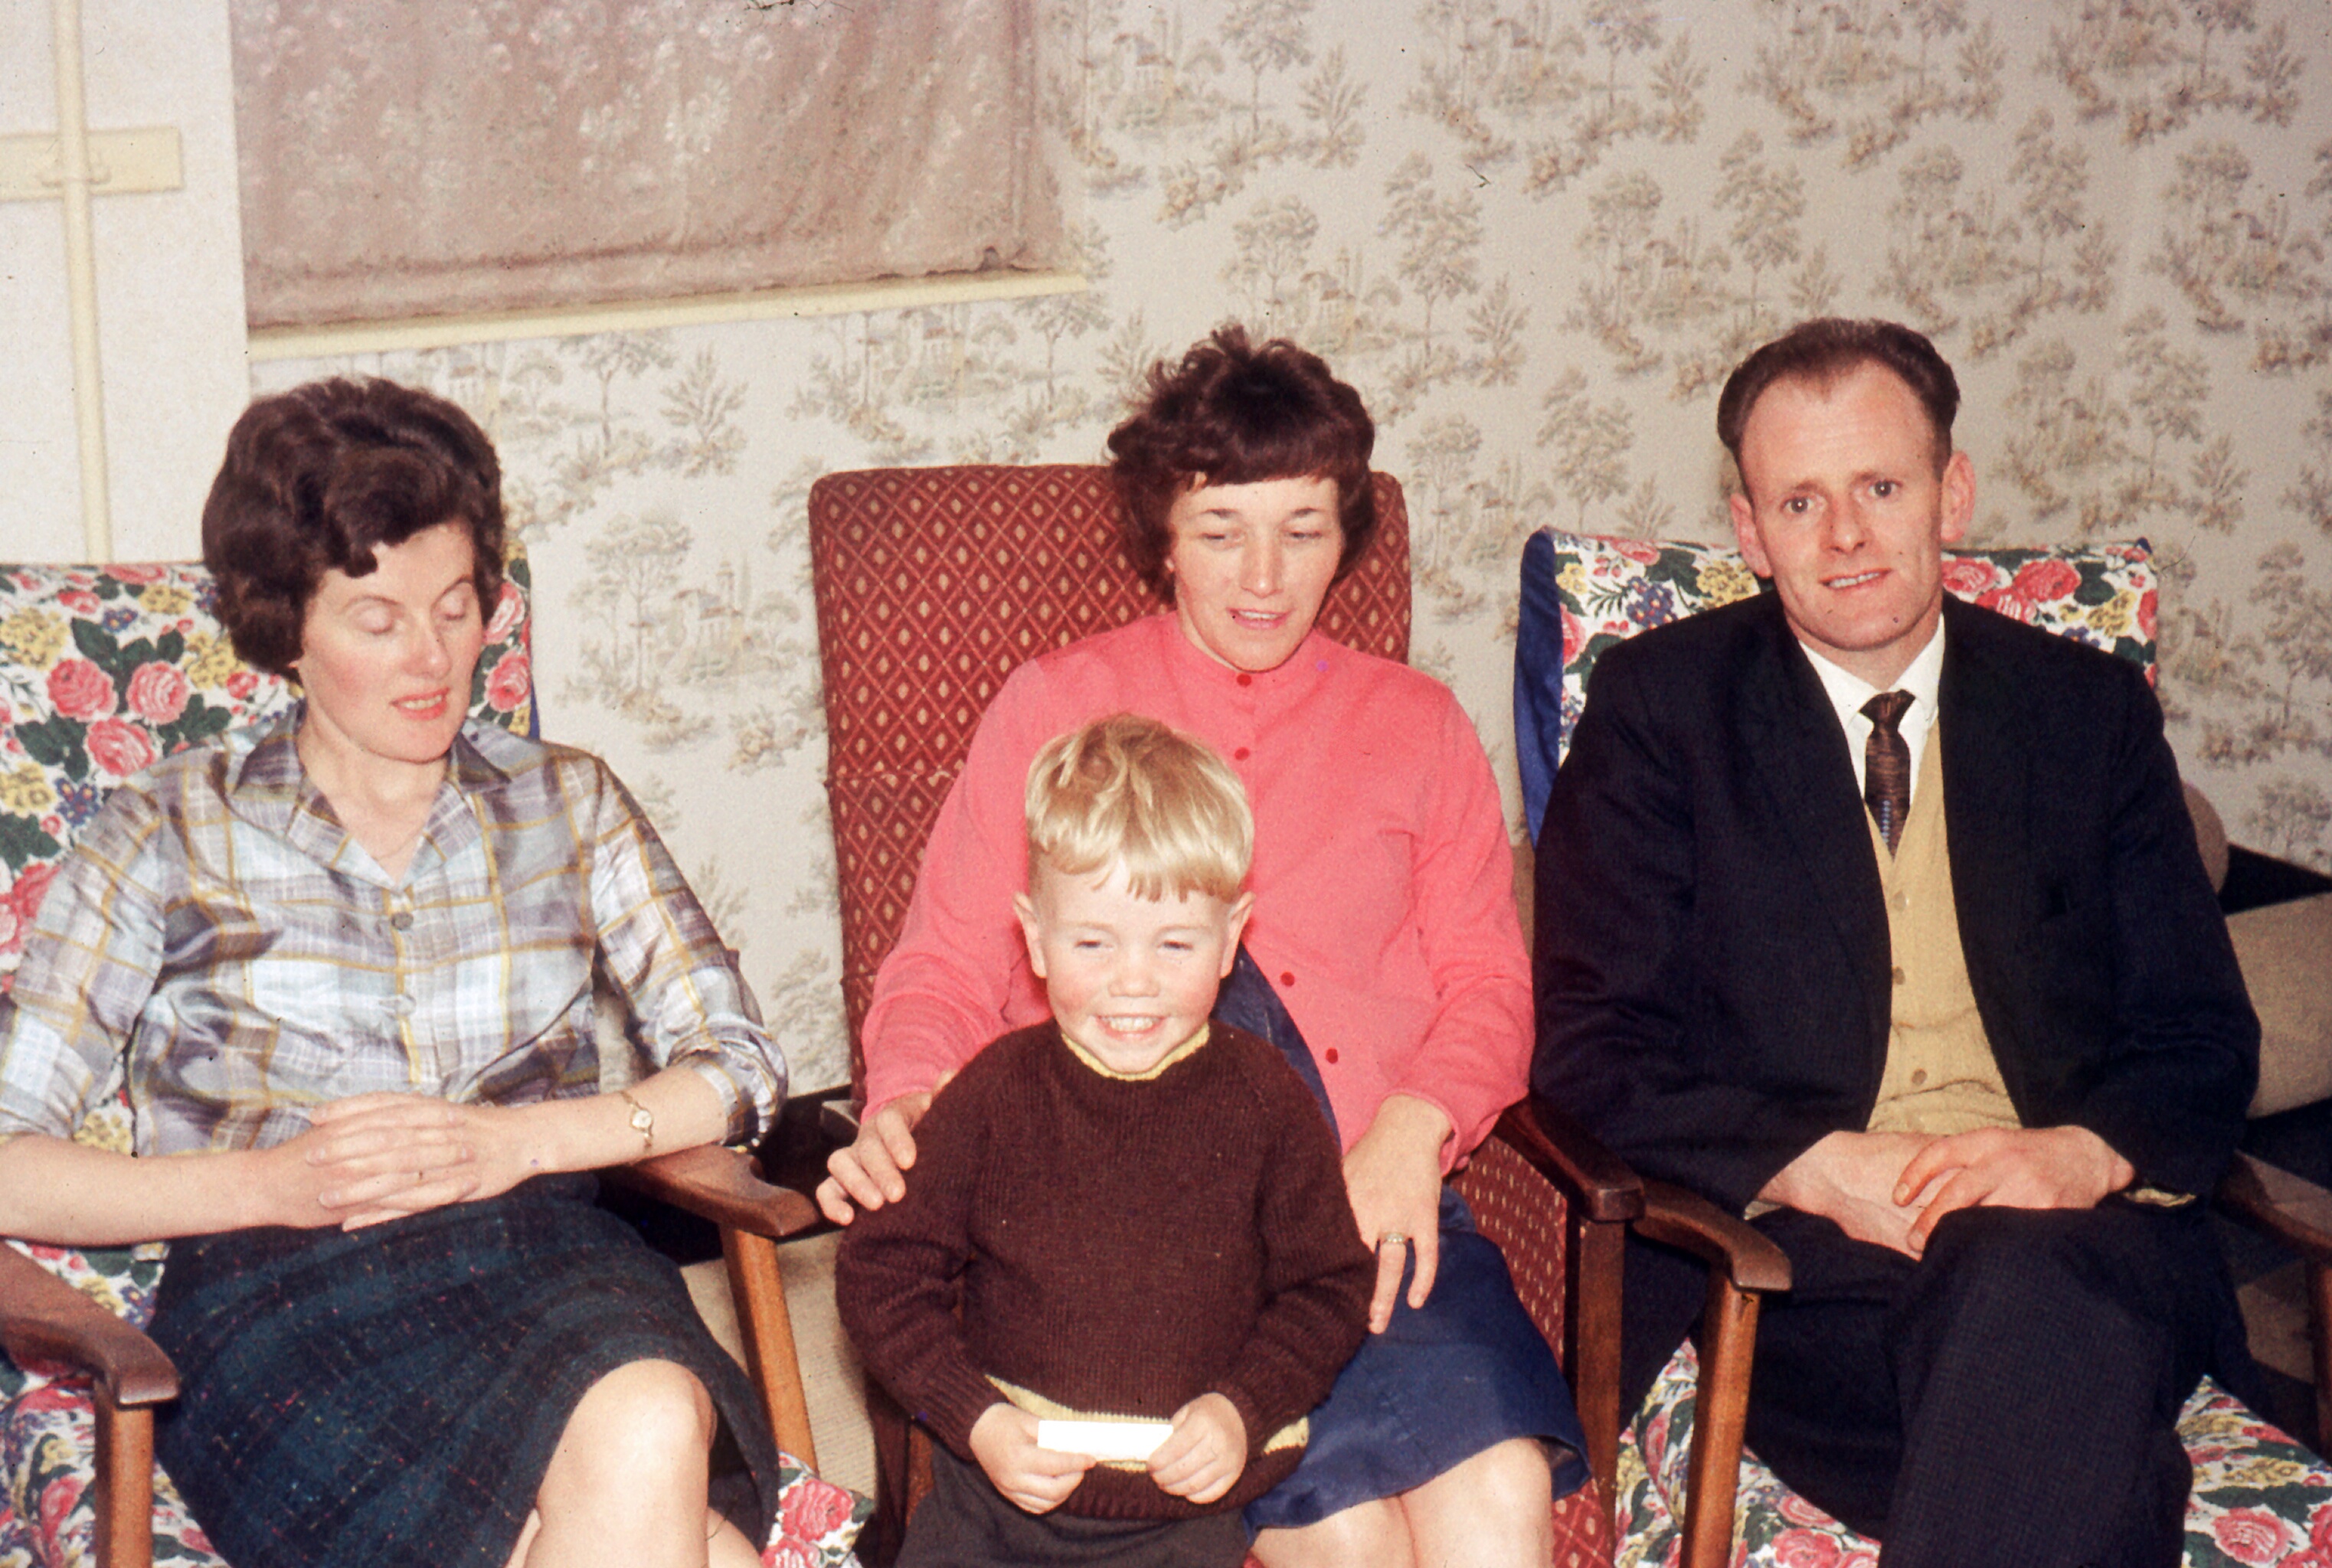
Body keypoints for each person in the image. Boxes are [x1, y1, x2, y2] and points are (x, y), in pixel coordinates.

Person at [820, 325, 1585, 1566]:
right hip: (1136, 1250)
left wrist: (1415, 1126)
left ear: (1347, 535)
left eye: (1304, 528)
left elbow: (1490, 985)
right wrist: (911, 1098)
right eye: (1222, 528)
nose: (1265, 575)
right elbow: (943, 963)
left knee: (1501, 1493)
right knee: (1345, 1534)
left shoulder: (1419, 723)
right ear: (1162, 535)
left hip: (1374, 1203)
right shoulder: (1052, 705)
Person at [0, 378, 790, 1568]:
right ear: (288, 627)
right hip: (279, 1299)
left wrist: (521, 1144)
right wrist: (273, 1184)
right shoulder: (164, 829)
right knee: (667, 1503)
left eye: (458, 607)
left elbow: (741, 1064)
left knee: (645, 1417)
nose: (433, 657)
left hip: (544, 1255)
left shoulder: (568, 803)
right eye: (377, 620)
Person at [1532, 317, 2262, 1566]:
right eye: (1799, 502)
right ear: (1749, 530)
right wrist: (1817, 1168)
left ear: (1950, 492)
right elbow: (1593, 1046)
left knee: (2030, 1297)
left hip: (2083, 1235)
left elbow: (2201, 1035)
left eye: (1880, 487)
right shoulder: (1661, 711)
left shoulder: (2084, 713)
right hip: (1810, 1271)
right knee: (2078, 1422)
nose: (1846, 536)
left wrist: (2077, 1155)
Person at [835, 714, 1375, 1567]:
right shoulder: (993, 1094)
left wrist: (1242, 1409)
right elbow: (880, 1274)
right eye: (1093, 941)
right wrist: (974, 1417)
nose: (1133, 981)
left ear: (1232, 936)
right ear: (1034, 936)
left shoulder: (1267, 1101)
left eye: (1175, 944)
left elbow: (1328, 1289)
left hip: (1182, 1515)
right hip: (992, 1492)